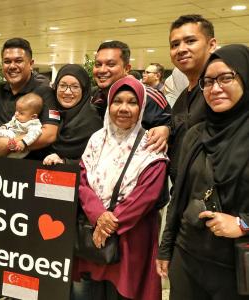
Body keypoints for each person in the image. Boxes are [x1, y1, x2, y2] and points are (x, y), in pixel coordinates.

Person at [157, 44, 249, 299]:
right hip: (188, 258)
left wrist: (243, 223)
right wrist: (166, 249)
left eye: (226, 78)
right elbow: (180, 196)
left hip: (236, 265)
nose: (215, 88)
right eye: (208, 81)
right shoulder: (197, 134)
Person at [73, 76, 168, 300]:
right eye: (117, 101)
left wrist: (107, 225)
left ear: (142, 106)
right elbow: (82, 179)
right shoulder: (97, 139)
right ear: (109, 105)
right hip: (93, 231)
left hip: (130, 237)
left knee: (124, 291)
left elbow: (147, 194)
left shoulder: (151, 144)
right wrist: (98, 216)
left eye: (132, 102)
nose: (123, 108)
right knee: (91, 290)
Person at [91, 41, 171, 151]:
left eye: (111, 64)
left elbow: (172, 127)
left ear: (127, 68)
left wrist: (167, 129)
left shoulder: (149, 97)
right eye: (98, 64)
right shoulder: (96, 96)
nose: (102, 70)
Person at [166, 14, 217, 183]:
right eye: (175, 44)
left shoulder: (221, 93)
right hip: (183, 195)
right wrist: (166, 130)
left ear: (211, 45)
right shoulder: (183, 96)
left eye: (190, 41)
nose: (181, 49)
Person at [0, 37, 60, 160]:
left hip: (29, 170)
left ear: (31, 64)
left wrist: (9, 144)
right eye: (7, 61)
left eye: (19, 61)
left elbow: (50, 134)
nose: (12, 66)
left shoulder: (44, 91)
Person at [42, 64, 102, 166]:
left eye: (75, 87)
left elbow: (96, 161)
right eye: (63, 85)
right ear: (55, 87)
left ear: (84, 90)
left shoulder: (92, 120)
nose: (68, 92)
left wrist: (64, 162)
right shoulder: (46, 114)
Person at [0, 92, 43, 160]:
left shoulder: (34, 124)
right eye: (16, 110)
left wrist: (23, 142)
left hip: (18, 150)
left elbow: (33, 134)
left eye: (21, 113)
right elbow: (11, 123)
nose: (16, 114)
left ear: (33, 117)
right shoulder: (17, 117)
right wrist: (5, 126)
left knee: (7, 133)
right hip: (8, 142)